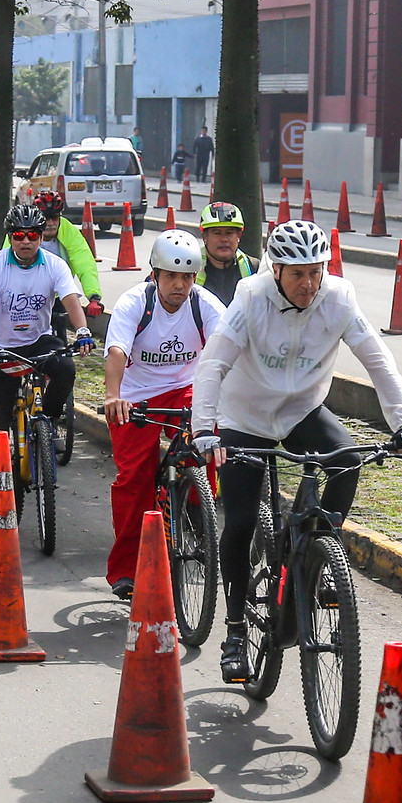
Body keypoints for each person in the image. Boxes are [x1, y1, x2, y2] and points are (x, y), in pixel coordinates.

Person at [191, 220, 402, 683]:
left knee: (346, 457)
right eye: (297, 274)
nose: (308, 284)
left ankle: (320, 550)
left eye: (316, 272)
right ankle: (236, 628)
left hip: (301, 410)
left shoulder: (338, 299)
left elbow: (377, 358)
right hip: (246, 416)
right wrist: (205, 430)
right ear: (275, 269)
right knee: (238, 520)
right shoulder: (250, 297)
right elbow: (213, 365)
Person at [100, 230, 225, 599]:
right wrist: (113, 396)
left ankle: (198, 511)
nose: (179, 285)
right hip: (137, 396)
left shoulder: (206, 305)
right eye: (171, 276)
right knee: (133, 480)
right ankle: (125, 569)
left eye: (187, 277)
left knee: (210, 443)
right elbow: (117, 351)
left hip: (188, 390)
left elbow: (224, 354)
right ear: (155, 275)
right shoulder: (134, 303)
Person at [0, 204, 94, 454]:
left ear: (41, 236)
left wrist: (82, 332)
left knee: (66, 369)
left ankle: (47, 421)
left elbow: (71, 300)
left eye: (33, 235)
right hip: (1, 348)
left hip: (39, 341)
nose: (26, 241)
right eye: (18, 235)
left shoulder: (55, 265)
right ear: (10, 237)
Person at [29, 188, 102, 306]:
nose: (51, 223)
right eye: (45, 218)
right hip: (25, 295)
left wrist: (94, 297)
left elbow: (85, 264)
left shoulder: (69, 231)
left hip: (58, 295)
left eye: (55, 218)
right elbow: (6, 264)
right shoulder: (23, 230)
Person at [195, 201, 255, 304]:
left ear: (239, 236)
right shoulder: (191, 267)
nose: (224, 239)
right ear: (205, 237)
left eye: (229, 233)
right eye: (217, 233)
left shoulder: (253, 267)